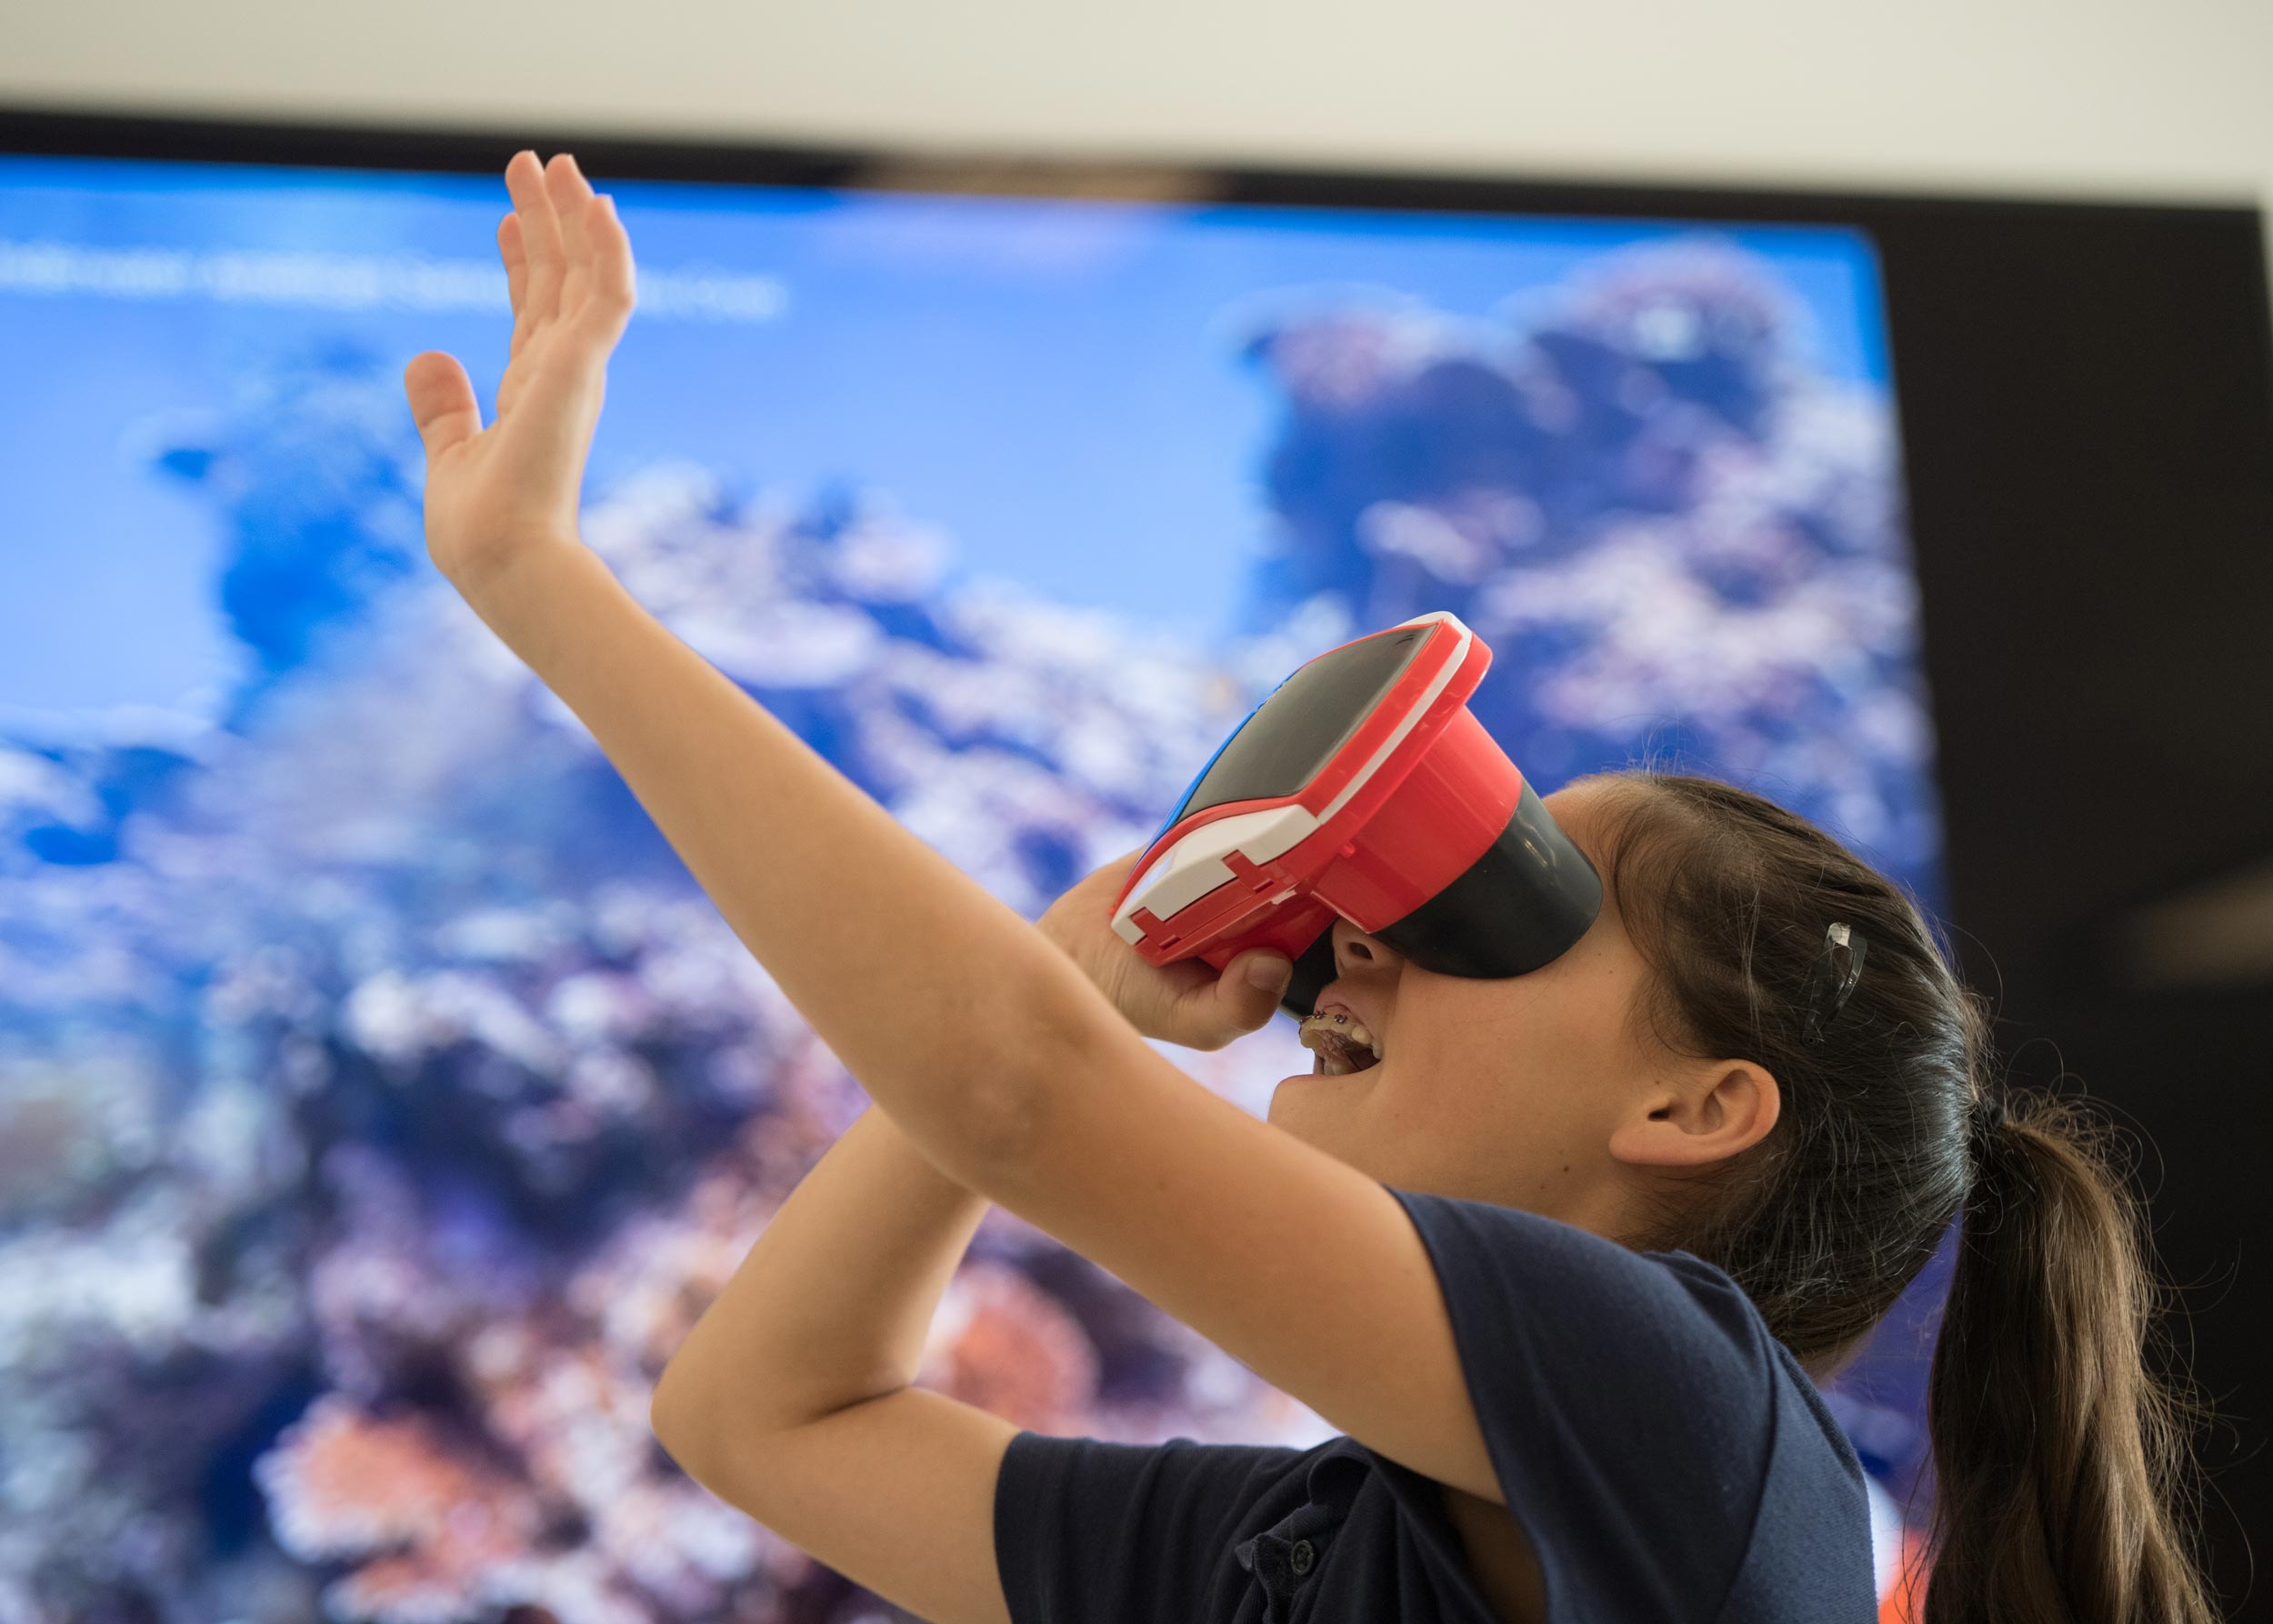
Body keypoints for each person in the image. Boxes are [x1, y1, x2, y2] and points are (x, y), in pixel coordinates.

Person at [403, 151, 2222, 1624]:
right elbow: (761, 1417)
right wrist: (1061, 969)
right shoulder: (1321, 1543)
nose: (1362, 931)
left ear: (1692, 1105)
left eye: (1495, 892)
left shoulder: (1707, 1417)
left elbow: (1015, 1089)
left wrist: (545, 583)